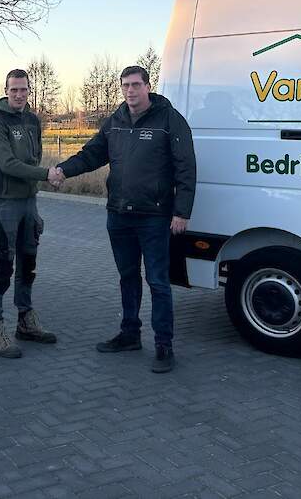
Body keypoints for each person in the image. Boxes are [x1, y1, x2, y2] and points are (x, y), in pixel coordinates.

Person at [50, 66, 196, 372]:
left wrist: (181, 211)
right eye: (125, 86)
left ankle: (163, 345)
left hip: (155, 216)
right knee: (127, 278)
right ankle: (130, 334)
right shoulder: (114, 122)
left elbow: (186, 167)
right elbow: (91, 155)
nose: (130, 90)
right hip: (119, 215)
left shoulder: (170, 120)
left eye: (135, 85)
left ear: (147, 86)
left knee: (157, 281)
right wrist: (63, 169)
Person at [0, 69, 63, 358]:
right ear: (6, 90)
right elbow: (7, 163)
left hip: (30, 202)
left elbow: (33, 155)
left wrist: (38, 179)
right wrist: (46, 174)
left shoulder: (32, 121)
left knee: (28, 265)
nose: (19, 94)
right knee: (4, 267)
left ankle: (25, 322)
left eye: (24, 90)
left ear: (30, 90)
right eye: (14, 89)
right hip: (6, 204)